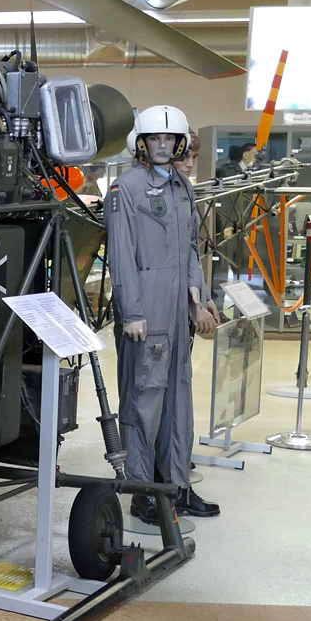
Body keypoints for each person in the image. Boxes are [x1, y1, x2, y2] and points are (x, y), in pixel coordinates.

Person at [106, 105, 220, 524]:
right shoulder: (126, 189)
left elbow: (191, 248)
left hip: (176, 310)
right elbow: (120, 255)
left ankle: (176, 486)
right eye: (155, 139)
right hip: (147, 311)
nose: (162, 146)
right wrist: (131, 311)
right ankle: (141, 492)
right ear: (141, 142)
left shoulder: (182, 188)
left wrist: (199, 298)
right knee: (144, 401)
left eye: (170, 140)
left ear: (179, 144)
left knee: (179, 400)